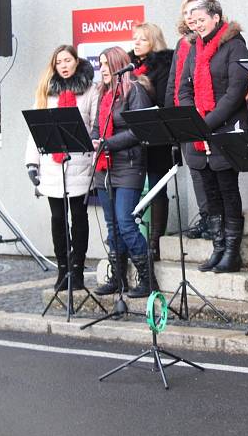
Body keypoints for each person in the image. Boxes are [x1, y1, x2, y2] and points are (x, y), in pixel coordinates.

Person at [178, 0, 248, 274]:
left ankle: (232, 252)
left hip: (224, 128)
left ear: (216, 17)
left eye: (200, 20)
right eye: (192, 22)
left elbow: (235, 92)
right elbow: (184, 89)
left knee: (227, 190)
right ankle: (218, 247)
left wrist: (206, 123)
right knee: (209, 193)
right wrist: (192, 121)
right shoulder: (194, 48)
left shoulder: (234, 45)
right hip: (198, 131)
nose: (196, 26)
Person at [26, 45, 99, 290]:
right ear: (54, 66)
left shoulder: (90, 90)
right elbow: (35, 131)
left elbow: (95, 125)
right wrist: (31, 163)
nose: (64, 66)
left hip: (79, 163)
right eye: (59, 62)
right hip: (52, 166)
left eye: (68, 60)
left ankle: (77, 269)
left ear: (76, 62)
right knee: (58, 218)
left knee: (78, 217)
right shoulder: (47, 92)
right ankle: (62, 269)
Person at [91, 47, 157, 298]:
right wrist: (96, 140)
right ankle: (118, 278)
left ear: (119, 64)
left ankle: (148, 278)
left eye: (107, 63)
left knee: (126, 223)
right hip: (105, 167)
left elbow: (140, 130)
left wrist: (109, 143)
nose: (103, 68)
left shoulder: (135, 90)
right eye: (100, 63)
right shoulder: (104, 92)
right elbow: (97, 126)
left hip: (128, 165)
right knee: (112, 226)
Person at [165, 0, 212, 242]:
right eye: (186, 13)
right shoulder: (182, 44)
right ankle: (206, 216)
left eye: (195, 12)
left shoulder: (208, 42)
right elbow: (174, 82)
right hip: (184, 114)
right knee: (195, 170)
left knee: (211, 171)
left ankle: (216, 218)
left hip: (207, 113)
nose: (190, 17)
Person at [129, 22, 173, 262]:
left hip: (157, 136)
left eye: (142, 39)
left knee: (158, 188)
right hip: (132, 139)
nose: (136, 43)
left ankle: (155, 241)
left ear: (153, 42)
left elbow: (165, 100)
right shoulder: (128, 66)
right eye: (134, 38)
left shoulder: (164, 66)